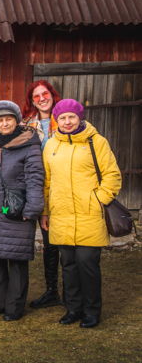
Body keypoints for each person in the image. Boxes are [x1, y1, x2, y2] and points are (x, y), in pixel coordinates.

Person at [42, 99, 121, 328]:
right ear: (57, 120)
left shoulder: (97, 142)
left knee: (87, 264)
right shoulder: (51, 145)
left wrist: (99, 199)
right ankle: (73, 308)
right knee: (68, 265)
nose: (67, 122)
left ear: (79, 117)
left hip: (89, 214)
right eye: (62, 118)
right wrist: (45, 212)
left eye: (71, 117)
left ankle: (92, 311)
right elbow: (47, 182)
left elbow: (112, 175)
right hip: (61, 214)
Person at [0, 100, 44, 321]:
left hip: (16, 208)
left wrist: (32, 208)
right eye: (0, 120)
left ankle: (14, 306)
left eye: (8, 119)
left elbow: (35, 179)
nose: (4, 123)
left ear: (16, 120)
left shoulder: (29, 145)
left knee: (16, 259)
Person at [21, 80, 63, 309]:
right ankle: (51, 290)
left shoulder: (67, 119)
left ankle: (72, 290)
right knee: (49, 242)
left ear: (52, 95)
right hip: (39, 188)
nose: (41, 99)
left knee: (67, 242)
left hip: (64, 187)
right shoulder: (27, 125)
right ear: (32, 101)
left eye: (44, 93)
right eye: (36, 96)